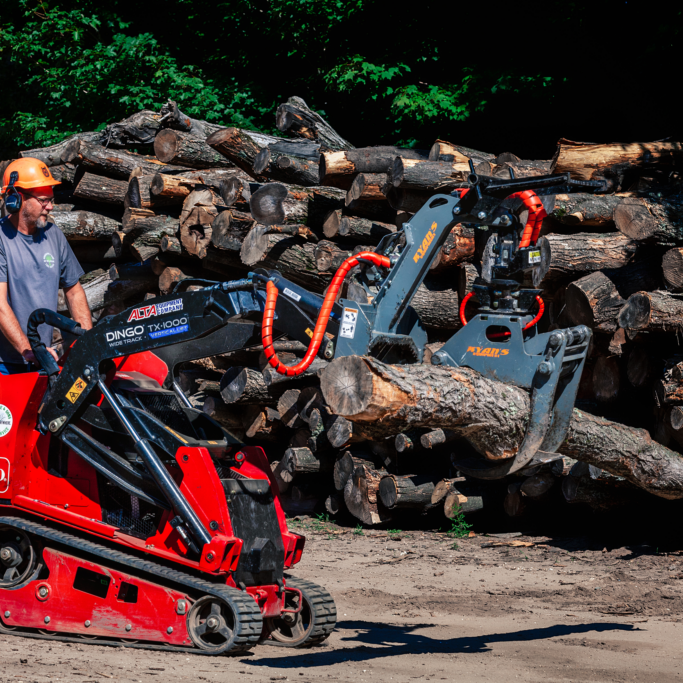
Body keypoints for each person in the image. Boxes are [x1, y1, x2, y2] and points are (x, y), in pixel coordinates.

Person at [0, 158, 92, 375]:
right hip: (6, 364)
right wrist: (29, 351)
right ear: (16, 199)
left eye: (51, 199)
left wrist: (88, 342)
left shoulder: (54, 235)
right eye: (43, 200)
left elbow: (74, 291)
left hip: (41, 360)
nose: (50, 207)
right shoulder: (1, 239)